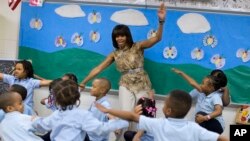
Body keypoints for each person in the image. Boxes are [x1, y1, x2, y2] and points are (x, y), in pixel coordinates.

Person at [79, 2, 166, 129]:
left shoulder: (138, 46)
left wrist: (161, 21)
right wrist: (84, 81)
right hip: (125, 83)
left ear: (127, 36)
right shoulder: (114, 54)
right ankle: (126, 136)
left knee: (144, 113)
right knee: (126, 114)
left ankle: (139, 137)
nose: (119, 38)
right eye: (116, 36)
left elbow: (157, 38)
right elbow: (99, 68)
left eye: (122, 35)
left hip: (142, 82)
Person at [95, 90, 229, 141]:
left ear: (168, 111)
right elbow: (220, 138)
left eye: (164, 105)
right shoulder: (194, 128)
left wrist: (109, 111)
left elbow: (131, 116)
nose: (162, 107)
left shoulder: (159, 124)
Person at [32, 79, 129, 140]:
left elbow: (42, 125)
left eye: (94, 86)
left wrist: (34, 119)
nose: (91, 88)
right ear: (77, 98)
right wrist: (123, 122)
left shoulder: (56, 114)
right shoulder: (83, 114)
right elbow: (101, 128)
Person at [172, 68, 225, 134]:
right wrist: (182, 73)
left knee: (200, 115)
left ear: (211, 87)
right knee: (197, 119)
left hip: (216, 125)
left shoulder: (215, 96)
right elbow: (193, 83)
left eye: (203, 83)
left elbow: (219, 111)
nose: (200, 85)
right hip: (206, 123)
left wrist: (205, 118)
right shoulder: (203, 91)